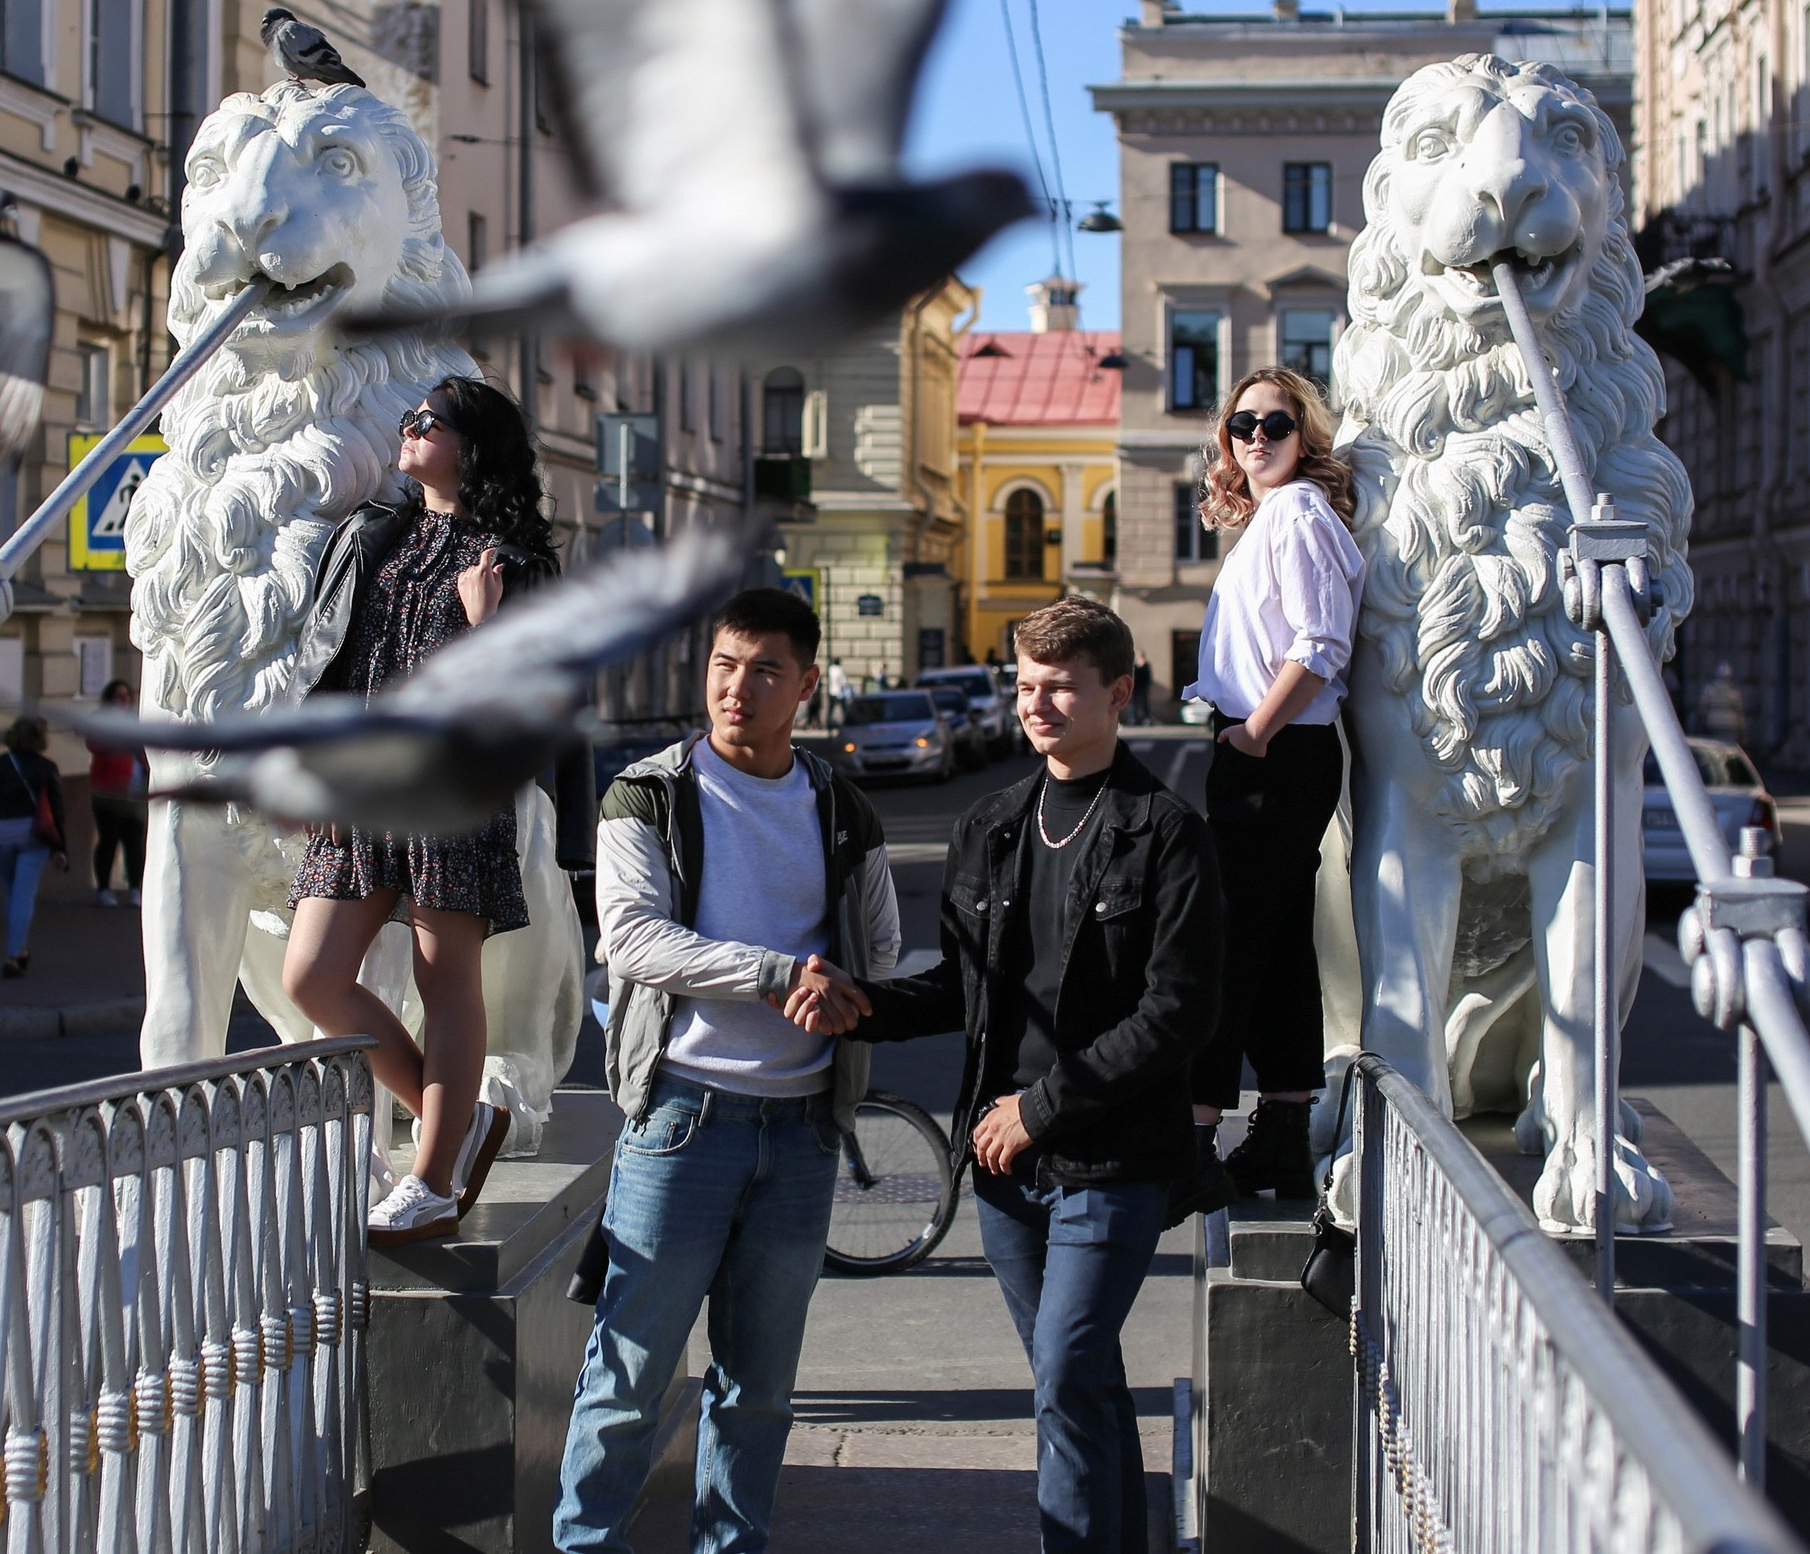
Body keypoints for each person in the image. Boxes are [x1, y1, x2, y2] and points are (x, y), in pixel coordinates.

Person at [836, 596, 1223, 1554]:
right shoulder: (992, 824)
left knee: (1066, 1366)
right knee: (1077, 1381)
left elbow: (1177, 1013)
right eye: (1024, 685)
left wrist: (1042, 1109)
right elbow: (964, 987)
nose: (1035, 705)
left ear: (1118, 693)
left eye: (1059, 687)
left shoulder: (1166, 832)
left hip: (1113, 1156)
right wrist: (858, 1002)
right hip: (1007, 1167)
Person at [556, 587, 901, 1554]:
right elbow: (632, 939)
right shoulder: (650, 793)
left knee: (760, 1388)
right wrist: (777, 973)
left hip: (803, 1130)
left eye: (763, 670)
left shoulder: (841, 807)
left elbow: (879, 944)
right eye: (724, 665)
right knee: (629, 1373)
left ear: (807, 684)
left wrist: (848, 992)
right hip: (683, 1119)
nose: (736, 688)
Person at [279, 375, 558, 1244]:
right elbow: (336, 658)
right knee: (311, 976)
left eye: (427, 421)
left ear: (472, 447)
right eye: (411, 417)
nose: (409, 427)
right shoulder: (375, 532)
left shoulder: (517, 562)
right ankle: (462, 1122)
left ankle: (432, 1179)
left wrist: (486, 627)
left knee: (446, 984)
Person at [1180, 367, 1363, 1203]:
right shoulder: (1274, 518)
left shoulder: (1298, 513)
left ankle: (1194, 1136)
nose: (1256, 436)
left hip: (1277, 750)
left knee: (1221, 940)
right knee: (1281, 939)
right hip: (1276, 750)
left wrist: (1255, 731)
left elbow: (1321, 642)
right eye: (1242, 424)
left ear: (1304, 436)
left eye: (1276, 424)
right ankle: (1284, 1132)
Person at [0, 716, 69, 978]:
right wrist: (60, 849)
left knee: (12, 891)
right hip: (32, 836)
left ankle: (21, 948)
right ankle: (13, 955)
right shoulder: (46, 767)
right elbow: (56, 811)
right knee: (24, 895)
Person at [84, 677, 148, 908]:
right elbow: (94, 745)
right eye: (118, 697)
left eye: (126, 696)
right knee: (108, 840)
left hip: (135, 790)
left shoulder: (136, 721)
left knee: (134, 842)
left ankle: (134, 888)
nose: (123, 701)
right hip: (108, 790)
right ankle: (103, 888)